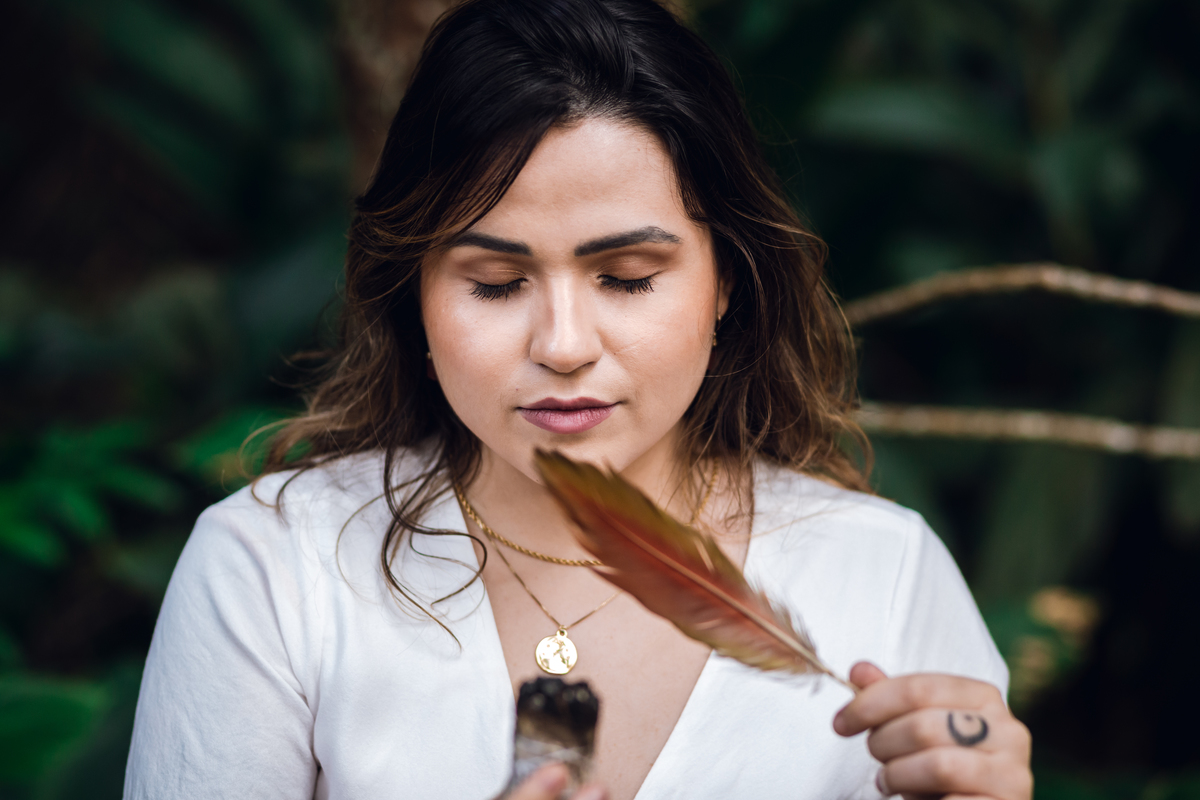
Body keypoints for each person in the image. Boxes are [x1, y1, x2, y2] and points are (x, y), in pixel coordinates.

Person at [123, 0, 1033, 797]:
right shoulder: (277, 572)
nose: (562, 346)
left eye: (627, 277)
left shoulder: (881, 577)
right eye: (495, 283)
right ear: (414, 296)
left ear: (727, 280)